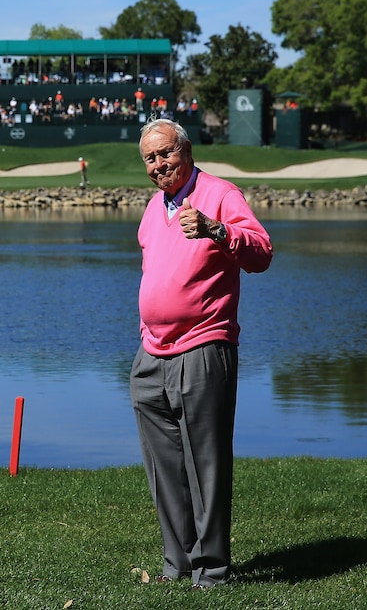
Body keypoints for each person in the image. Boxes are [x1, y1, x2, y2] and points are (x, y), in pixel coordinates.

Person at [130, 118, 273, 590]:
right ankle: (179, 562)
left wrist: (216, 230)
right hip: (151, 353)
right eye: (150, 158)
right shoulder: (154, 209)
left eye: (166, 153)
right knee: (162, 466)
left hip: (204, 344)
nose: (159, 164)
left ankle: (212, 569)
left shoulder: (218, 193)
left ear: (186, 150)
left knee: (205, 465)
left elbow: (261, 253)